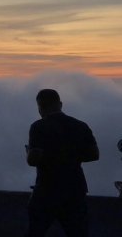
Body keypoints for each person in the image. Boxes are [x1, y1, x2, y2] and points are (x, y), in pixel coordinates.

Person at [25, 89, 99, 237]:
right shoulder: (81, 126)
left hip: (46, 190)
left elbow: (33, 160)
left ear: (40, 106)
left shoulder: (39, 127)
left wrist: (30, 153)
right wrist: (70, 155)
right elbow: (94, 155)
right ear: (60, 104)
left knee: (36, 232)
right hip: (75, 190)